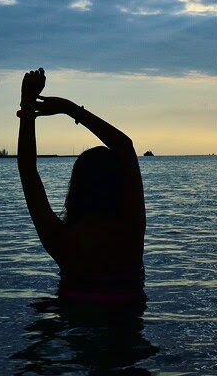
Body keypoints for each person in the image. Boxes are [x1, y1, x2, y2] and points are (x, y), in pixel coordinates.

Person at [17, 68, 146, 305]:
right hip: (123, 335)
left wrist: (27, 105)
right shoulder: (130, 233)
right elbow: (125, 147)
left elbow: (27, 170)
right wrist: (70, 109)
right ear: (119, 187)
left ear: (76, 188)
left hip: (73, 334)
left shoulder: (62, 240)